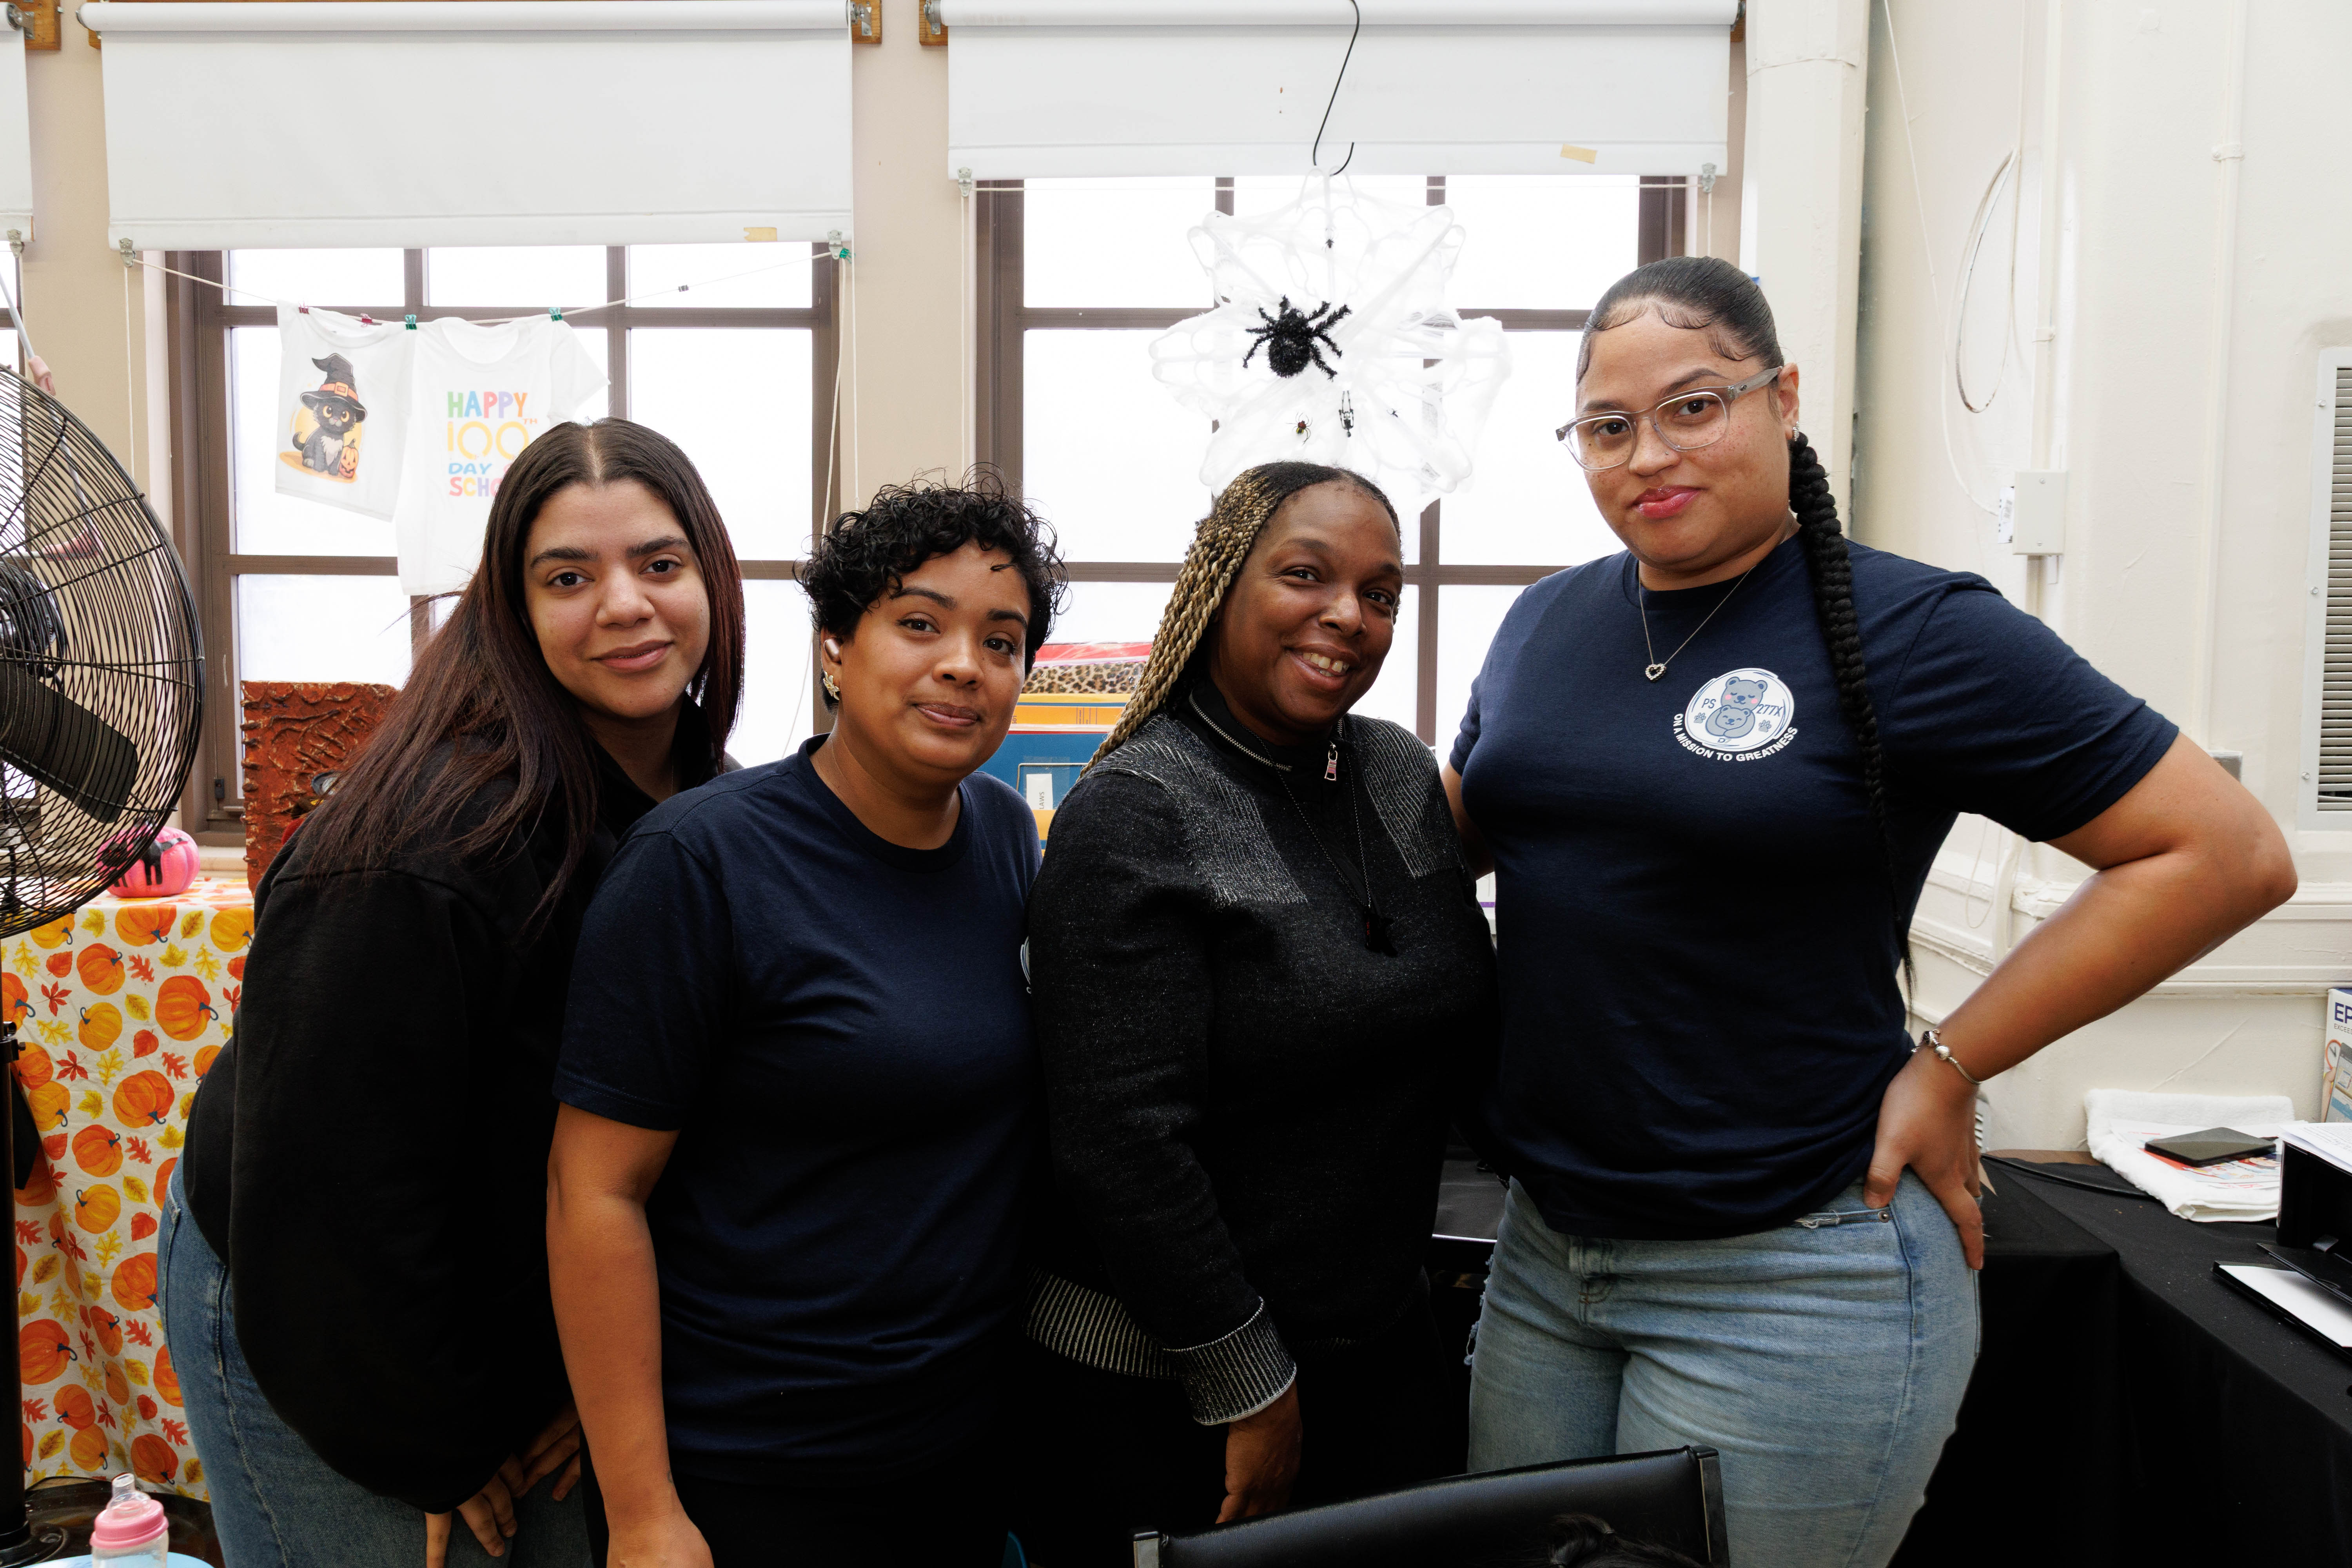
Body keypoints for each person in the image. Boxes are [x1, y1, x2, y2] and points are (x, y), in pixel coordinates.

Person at [1446, 256, 2298, 1567]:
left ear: (1785, 398)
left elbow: (2223, 853)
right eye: (1606, 427)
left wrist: (1954, 1061)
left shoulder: (1918, 631)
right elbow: (1448, 840)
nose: (1646, 454)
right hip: (1551, 1258)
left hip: (1794, 1274)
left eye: (1693, 405)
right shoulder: (1545, 625)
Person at [163, 419, 746, 1568]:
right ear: (512, 612)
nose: (625, 604)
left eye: (660, 564)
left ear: (714, 580)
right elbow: (331, 1197)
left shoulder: (709, 810)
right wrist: (427, 1437)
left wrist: (605, 1370)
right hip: (331, 1300)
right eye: (569, 576)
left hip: (503, 1284)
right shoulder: (417, 852)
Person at [545, 476, 1063, 1568]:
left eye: (1001, 641)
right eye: (919, 624)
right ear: (834, 646)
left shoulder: (1011, 842)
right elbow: (595, 1193)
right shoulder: (703, 864)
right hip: (752, 1466)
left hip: (950, 1452)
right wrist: (642, 1512)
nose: (964, 663)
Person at [1013, 461, 1499, 1565]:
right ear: (1224, 585)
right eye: (1305, 575)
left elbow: (1448, 1022)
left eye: (1381, 594)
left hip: (1373, 1353)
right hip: (1166, 1387)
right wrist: (1248, 1384)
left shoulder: (1393, 772)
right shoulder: (1136, 812)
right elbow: (1123, 1144)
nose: (1348, 615)